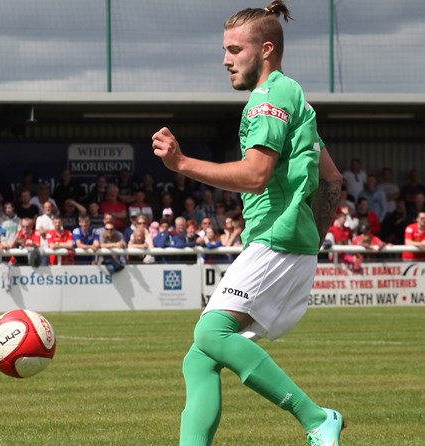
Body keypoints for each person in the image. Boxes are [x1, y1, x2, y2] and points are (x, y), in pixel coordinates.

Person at [151, 3, 344, 445]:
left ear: (266, 49)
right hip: (288, 241)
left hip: (275, 240)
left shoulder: (268, 99)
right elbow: (331, 180)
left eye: (235, 50)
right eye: (225, 50)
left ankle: (316, 418)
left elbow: (255, 175)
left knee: (209, 331)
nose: (226, 60)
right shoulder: (294, 95)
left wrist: (181, 163)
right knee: (199, 358)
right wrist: (309, 237)